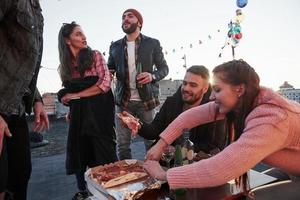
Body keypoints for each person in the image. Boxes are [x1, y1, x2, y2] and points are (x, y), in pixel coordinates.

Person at [144, 60, 300, 199]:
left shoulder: (272, 119)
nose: (211, 97)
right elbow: (189, 117)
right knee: (243, 191)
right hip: (291, 171)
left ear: (239, 90)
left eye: (217, 90)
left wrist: (163, 174)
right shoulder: (246, 102)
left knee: (249, 197)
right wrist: (161, 144)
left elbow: (222, 168)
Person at [57, 22, 117, 200]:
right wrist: (69, 101)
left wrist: (77, 95)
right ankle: (86, 192)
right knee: (81, 153)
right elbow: (68, 95)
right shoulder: (66, 67)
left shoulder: (95, 55)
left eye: (83, 33)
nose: (83, 37)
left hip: (100, 116)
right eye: (78, 34)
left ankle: (112, 192)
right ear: (68, 40)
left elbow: (104, 85)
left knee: (105, 154)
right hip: (80, 118)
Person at [0, 1, 49, 199]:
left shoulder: (37, 11)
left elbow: (25, 64)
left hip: (16, 108)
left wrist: (36, 98)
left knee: (21, 174)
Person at [120, 65, 226, 154]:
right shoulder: (171, 103)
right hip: (167, 160)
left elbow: (214, 146)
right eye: (184, 83)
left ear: (205, 88)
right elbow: (155, 130)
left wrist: (178, 150)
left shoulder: (214, 110)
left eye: (193, 85)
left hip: (197, 164)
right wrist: (138, 125)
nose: (186, 88)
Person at [107, 8, 169, 160]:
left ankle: (154, 175)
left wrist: (152, 75)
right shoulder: (115, 46)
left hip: (146, 101)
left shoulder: (152, 43)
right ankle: (126, 178)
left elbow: (164, 69)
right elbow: (110, 68)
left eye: (130, 16)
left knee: (150, 141)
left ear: (139, 23)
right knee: (122, 144)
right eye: (123, 17)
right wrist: (108, 74)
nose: (125, 19)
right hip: (123, 102)